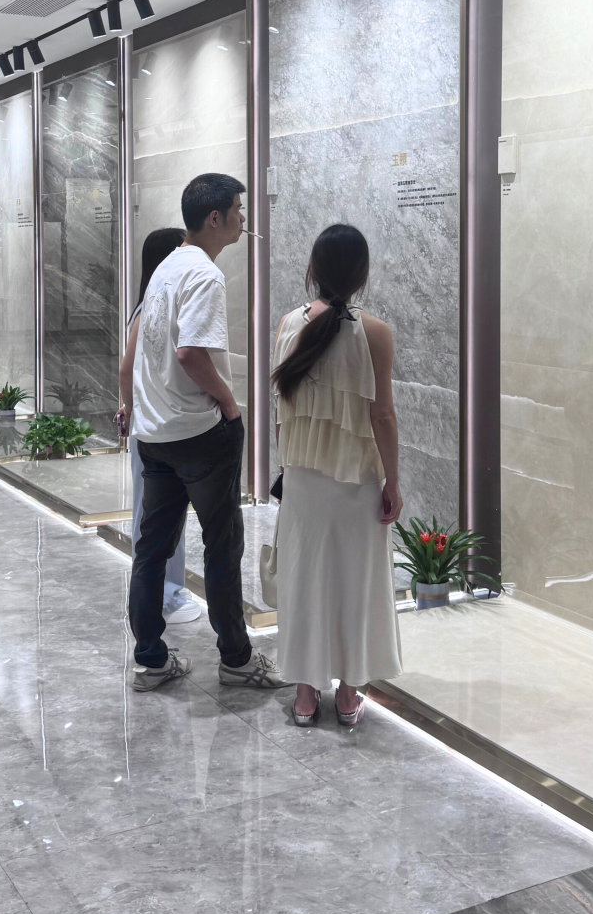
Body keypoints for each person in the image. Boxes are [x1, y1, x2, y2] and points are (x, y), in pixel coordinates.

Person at [127, 172, 285, 692]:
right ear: (215, 218)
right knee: (222, 545)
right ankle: (237, 659)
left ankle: (151, 660)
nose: (243, 219)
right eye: (238, 210)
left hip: (155, 434)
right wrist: (228, 402)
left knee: (152, 548)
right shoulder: (205, 275)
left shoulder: (168, 265)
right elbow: (190, 354)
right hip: (198, 431)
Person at [271, 223, 403, 726]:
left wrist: (285, 468)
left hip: (303, 478)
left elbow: (283, 412)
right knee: (355, 583)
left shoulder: (288, 325)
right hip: (357, 479)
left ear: (313, 268)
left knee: (304, 579)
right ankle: (348, 695)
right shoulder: (374, 333)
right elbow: (382, 416)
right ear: (362, 275)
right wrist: (393, 482)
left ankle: (306, 696)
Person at [118, 226, 201, 626]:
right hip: (152, 425)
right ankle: (161, 593)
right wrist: (129, 407)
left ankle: (164, 590)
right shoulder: (149, 310)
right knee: (152, 514)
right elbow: (126, 369)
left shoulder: (152, 306)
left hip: (151, 422)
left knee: (161, 512)